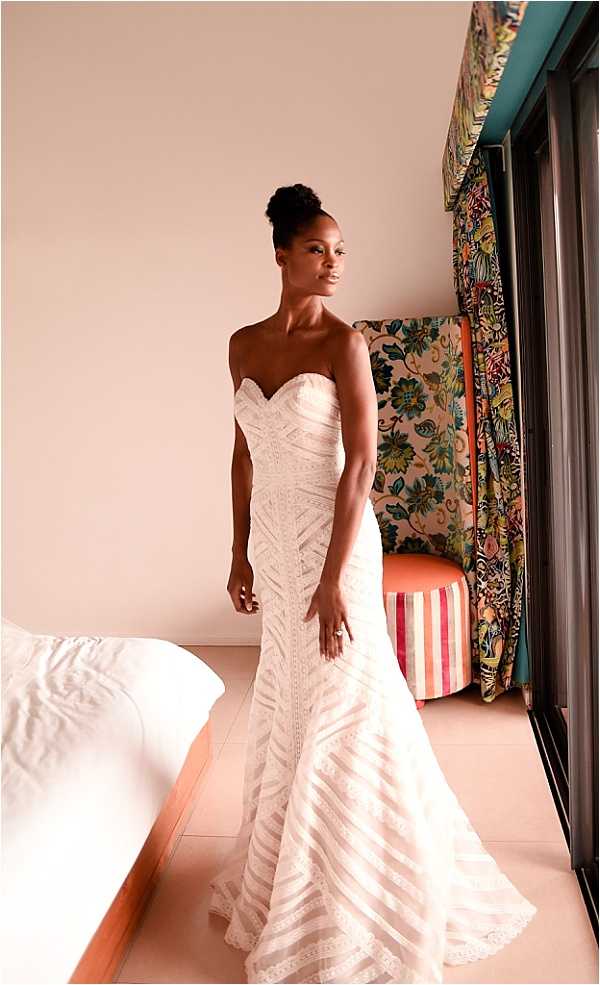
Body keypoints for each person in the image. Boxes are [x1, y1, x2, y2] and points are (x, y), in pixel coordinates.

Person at [207, 183, 537, 984]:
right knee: (288, 694)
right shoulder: (243, 345)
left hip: (334, 543)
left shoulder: (344, 345)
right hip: (278, 552)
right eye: (318, 248)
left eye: (340, 250)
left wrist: (332, 583)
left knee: (347, 700)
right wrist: (238, 550)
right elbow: (245, 451)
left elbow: (361, 465)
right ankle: (292, 869)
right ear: (281, 252)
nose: (333, 263)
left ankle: (361, 890)